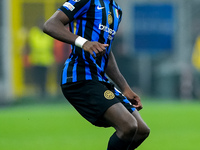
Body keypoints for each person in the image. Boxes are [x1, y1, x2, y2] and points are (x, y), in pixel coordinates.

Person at [43, 0, 150, 149]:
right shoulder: (87, 1)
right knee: (128, 126)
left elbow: (105, 51)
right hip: (79, 76)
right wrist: (83, 42)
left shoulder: (116, 10)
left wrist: (125, 87)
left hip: (99, 78)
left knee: (141, 130)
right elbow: (50, 25)